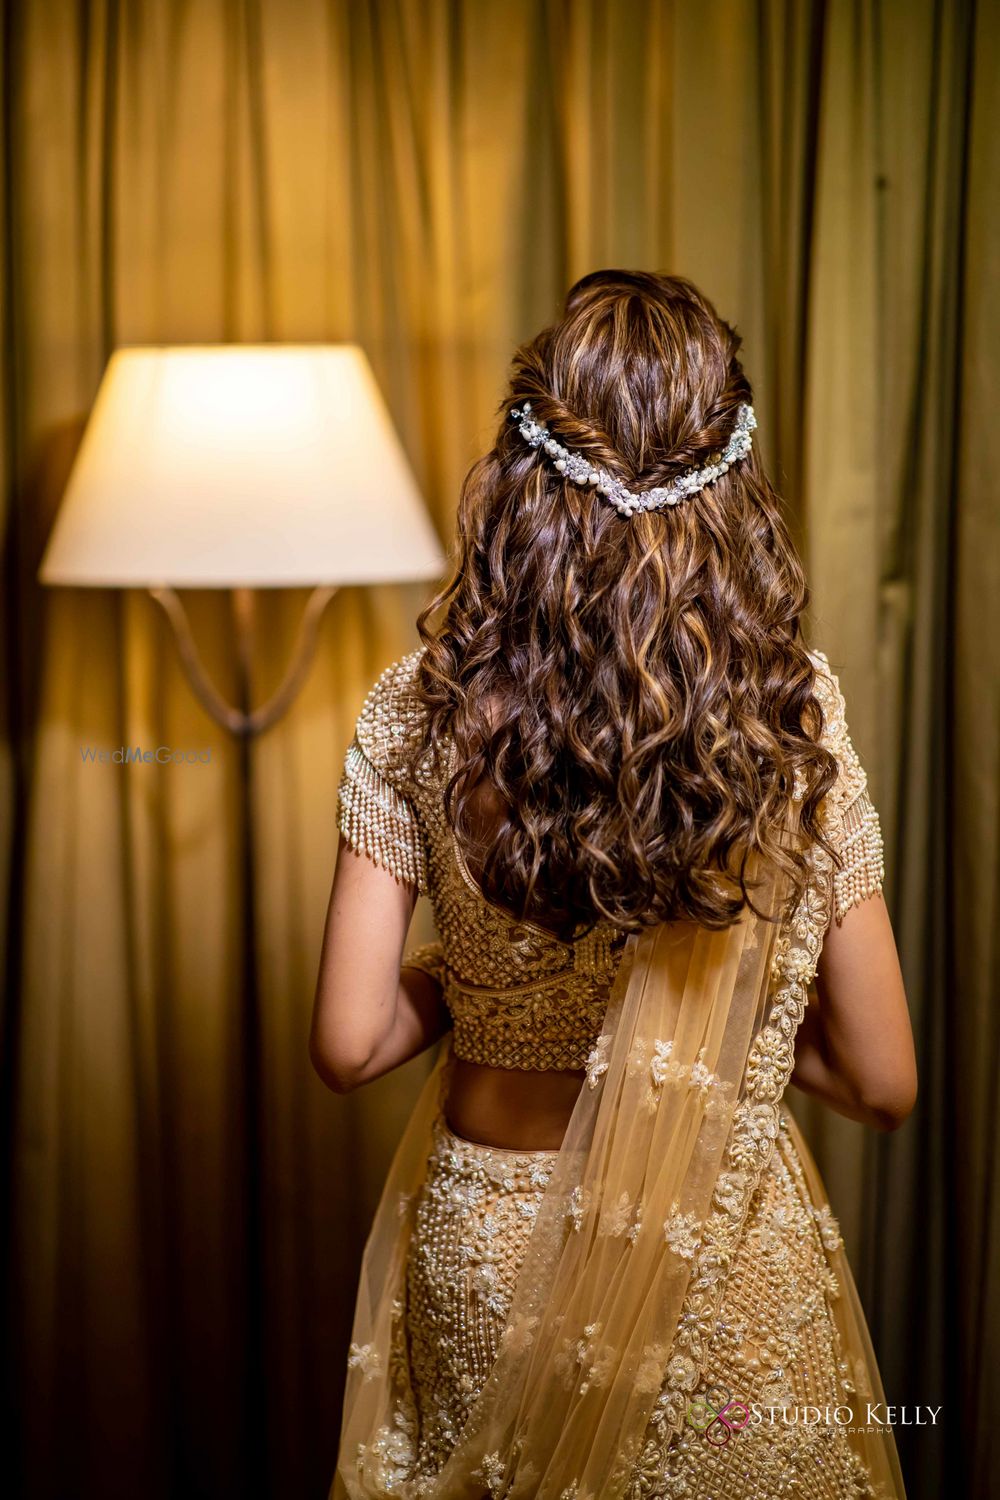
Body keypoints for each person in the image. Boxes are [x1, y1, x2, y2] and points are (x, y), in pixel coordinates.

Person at [311, 269, 916, 1499]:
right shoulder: (791, 720)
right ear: (734, 480)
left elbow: (350, 1041)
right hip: (715, 1264)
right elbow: (881, 1079)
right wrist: (720, 1000)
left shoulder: (418, 714)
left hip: (484, 1251)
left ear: (523, 472)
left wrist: (476, 977)